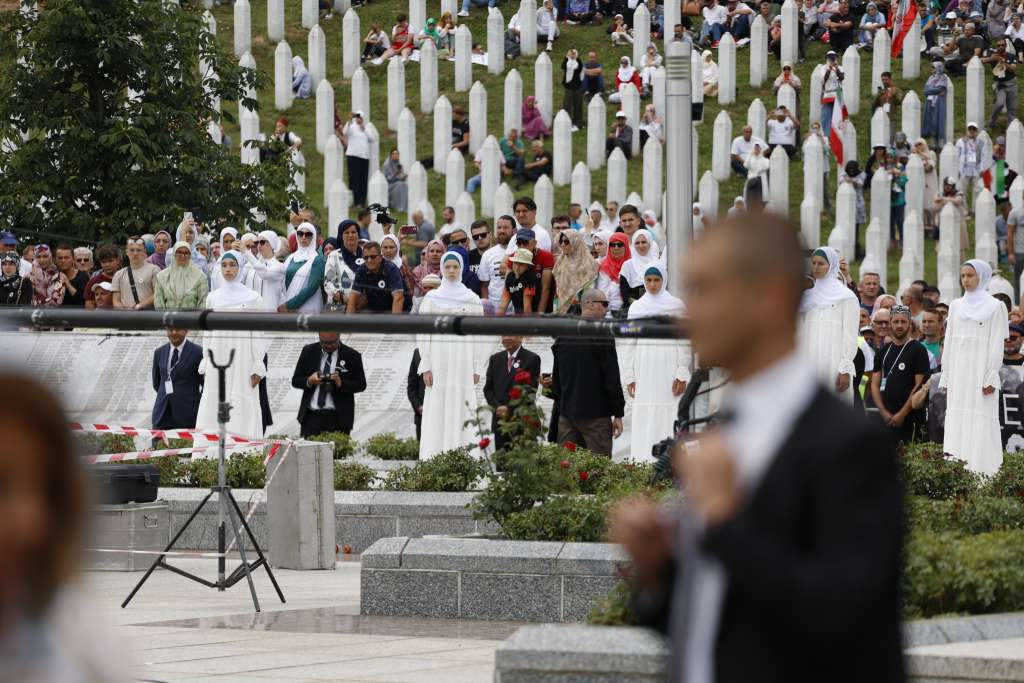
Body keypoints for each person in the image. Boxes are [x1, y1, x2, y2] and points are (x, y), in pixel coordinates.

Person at [612, 212, 904, 683]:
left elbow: (848, 625)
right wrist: (658, 572)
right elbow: (712, 622)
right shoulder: (725, 425)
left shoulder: (848, 446)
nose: (689, 311)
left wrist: (726, 526)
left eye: (707, 290)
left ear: (767, 299)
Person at [415, 250, 485, 459]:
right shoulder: (431, 298)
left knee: (462, 407)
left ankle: (464, 461)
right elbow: (423, 333)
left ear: (461, 268)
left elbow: (479, 335)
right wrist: (425, 365)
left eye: (455, 267)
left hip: (462, 365)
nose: (452, 271)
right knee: (438, 410)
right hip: (438, 363)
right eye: (448, 267)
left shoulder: (472, 299)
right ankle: (434, 462)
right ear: (442, 269)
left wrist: (477, 366)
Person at [941, 260, 1009, 474]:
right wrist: (947, 373)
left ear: (982, 277)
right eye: (963, 276)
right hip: (959, 374)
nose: (966, 280)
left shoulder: (996, 307)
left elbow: (997, 343)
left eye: (970, 275)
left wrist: (990, 375)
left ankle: (983, 476)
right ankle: (956, 474)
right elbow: (949, 340)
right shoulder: (955, 306)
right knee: (958, 420)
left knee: (980, 420)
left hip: (980, 375)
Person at [619, 263, 691, 462]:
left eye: (656, 280)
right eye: (648, 280)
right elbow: (629, 342)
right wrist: (630, 376)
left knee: (670, 412)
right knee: (645, 412)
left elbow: (685, 341)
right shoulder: (637, 307)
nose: (652, 285)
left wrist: (682, 373)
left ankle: (670, 466)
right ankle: (643, 464)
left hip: (669, 363)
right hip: (644, 365)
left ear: (664, 280)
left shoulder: (676, 305)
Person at [544, 289, 625, 455]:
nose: (607, 309)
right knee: (598, 472)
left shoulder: (563, 335)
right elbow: (611, 377)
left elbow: (557, 380)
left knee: (568, 472)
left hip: (567, 415)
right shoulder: (602, 333)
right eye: (604, 304)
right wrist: (618, 413)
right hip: (596, 416)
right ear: (589, 304)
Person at [195, 254, 268, 438]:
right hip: (217, 356)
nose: (228, 269)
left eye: (232, 265)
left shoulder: (253, 298)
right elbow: (207, 332)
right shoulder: (212, 297)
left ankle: (242, 456)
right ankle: (210, 456)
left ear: (240, 267)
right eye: (224, 265)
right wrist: (205, 360)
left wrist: (258, 363)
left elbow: (258, 333)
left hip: (243, 358)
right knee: (216, 398)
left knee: (241, 400)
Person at [799, 247, 860, 403]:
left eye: (821, 263)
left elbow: (850, 335)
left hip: (834, 366)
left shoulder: (847, 297)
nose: (816, 267)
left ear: (831, 265)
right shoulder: (807, 298)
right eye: (813, 263)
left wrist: (845, 369)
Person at [869, 305, 931, 443]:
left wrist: (902, 414)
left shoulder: (918, 350)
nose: (899, 325)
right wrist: (883, 412)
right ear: (890, 323)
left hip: (911, 417)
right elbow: (874, 384)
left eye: (903, 322)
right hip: (886, 418)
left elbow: (919, 385)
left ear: (910, 324)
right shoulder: (883, 351)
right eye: (896, 321)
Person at [292, 332, 367, 437]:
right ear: (319, 337)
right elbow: (295, 380)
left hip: (338, 418)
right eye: (324, 343)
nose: (328, 346)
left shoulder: (352, 355)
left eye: (332, 343)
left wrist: (341, 383)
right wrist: (309, 380)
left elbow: (361, 384)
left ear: (339, 336)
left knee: (337, 453)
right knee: (308, 452)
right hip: (311, 417)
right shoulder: (308, 351)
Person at [484, 336, 542, 451]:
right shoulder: (495, 359)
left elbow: (530, 391)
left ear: (521, 336)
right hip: (500, 421)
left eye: (511, 334)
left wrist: (508, 408)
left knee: (524, 465)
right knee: (502, 464)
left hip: (522, 421)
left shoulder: (532, 359)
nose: (507, 338)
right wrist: (498, 407)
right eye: (503, 335)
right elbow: (488, 389)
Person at [151, 327, 204, 429]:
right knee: (159, 445)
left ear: (186, 330)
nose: (174, 333)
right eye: (170, 330)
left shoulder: (198, 352)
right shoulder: (159, 352)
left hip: (188, 416)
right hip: (162, 415)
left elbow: (204, 385)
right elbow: (156, 383)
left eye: (178, 329)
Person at [347, 241, 406, 313]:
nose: (369, 260)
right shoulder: (362, 270)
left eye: (373, 257)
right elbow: (352, 298)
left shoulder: (391, 269)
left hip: (400, 310)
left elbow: (399, 298)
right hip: (375, 310)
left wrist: (393, 323)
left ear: (380, 257)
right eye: (365, 257)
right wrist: (348, 322)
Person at [281, 222, 325, 313]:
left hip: (308, 307)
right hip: (285, 303)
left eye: (308, 234)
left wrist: (290, 305)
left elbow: (312, 288)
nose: (303, 237)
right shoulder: (290, 258)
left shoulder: (317, 259)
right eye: (300, 234)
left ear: (314, 237)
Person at [552, 229, 597, 314]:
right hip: (560, 307)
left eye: (566, 242)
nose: (562, 245)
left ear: (575, 242)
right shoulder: (560, 261)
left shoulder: (589, 263)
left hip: (581, 311)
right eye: (561, 241)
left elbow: (589, 292)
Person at [155, 241, 209, 310]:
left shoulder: (200, 276)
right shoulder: (162, 276)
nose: (183, 256)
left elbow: (203, 303)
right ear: (174, 253)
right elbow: (159, 303)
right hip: (168, 319)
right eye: (179, 252)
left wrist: (195, 320)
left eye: (186, 253)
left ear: (190, 255)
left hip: (192, 319)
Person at [618, 228, 662, 311]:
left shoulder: (658, 264)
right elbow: (624, 292)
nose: (640, 245)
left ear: (649, 243)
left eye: (643, 242)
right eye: (637, 243)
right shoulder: (627, 265)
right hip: (634, 308)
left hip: (656, 307)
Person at [110, 237, 159, 310]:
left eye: (138, 250)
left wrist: (139, 306)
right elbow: (116, 300)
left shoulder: (154, 270)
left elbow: (158, 294)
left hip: (148, 316)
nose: (135, 253)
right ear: (127, 252)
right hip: (126, 318)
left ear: (144, 252)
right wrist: (125, 313)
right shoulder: (119, 274)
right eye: (132, 250)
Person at [479, 216, 515, 307]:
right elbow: (484, 285)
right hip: (494, 309)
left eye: (506, 227)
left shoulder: (520, 251)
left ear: (514, 230)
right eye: (499, 227)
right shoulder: (488, 254)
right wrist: (487, 308)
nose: (502, 230)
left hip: (515, 310)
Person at [340, 111, 374, 207]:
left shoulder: (366, 127)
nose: (359, 119)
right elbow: (344, 132)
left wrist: (363, 127)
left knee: (363, 179)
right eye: (357, 116)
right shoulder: (351, 126)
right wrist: (350, 120)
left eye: (360, 117)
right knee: (355, 180)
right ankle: (355, 201)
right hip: (353, 156)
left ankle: (362, 201)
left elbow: (372, 138)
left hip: (364, 157)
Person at [597, 232, 630, 313]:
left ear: (626, 246)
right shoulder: (605, 267)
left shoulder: (632, 265)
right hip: (610, 311)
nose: (616, 248)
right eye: (612, 245)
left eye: (620, 244)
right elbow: (603, 293)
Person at [500, 248, 540, 314]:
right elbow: (503, 305)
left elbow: (527, 307)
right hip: (518, 313)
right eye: (515, 263)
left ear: (528, 266)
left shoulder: (530, 277)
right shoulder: (510, 277)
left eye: (521, 264)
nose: (517, 267)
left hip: (533, 315)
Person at [922, 62, 949, 149]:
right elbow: (925, 90)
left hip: (938, 103)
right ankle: (933, 143)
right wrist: (935, 90)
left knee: (937, 120)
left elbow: (940, 88)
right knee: (930, 121)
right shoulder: (930, 78)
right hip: (929, 102)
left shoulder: (943, 78)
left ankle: (939, 144)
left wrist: (931, 89)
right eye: (932, 68)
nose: (932, 70)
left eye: (933, 68)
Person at [818, 50, 845, 133]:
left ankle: (839, 134)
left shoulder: (840, 67)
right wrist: (829, 69)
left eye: (834, 57)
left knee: (838, 116)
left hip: (838, 94)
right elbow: (823, 80)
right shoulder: (823, 68)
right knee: (826, 116)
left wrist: (836, 68)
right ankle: (826, 135)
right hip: (828, 94)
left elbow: (842, 78)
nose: (832, 59)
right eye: (830, 57)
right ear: (827, 58)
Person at [562, 49, 584, 130]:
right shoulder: (566, 62)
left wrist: (576, 58)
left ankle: (578, 123)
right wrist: (566, 57)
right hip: (568, 87)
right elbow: (563, 66)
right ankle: (567, 122)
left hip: (577, 87)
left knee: (578, 105)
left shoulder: (578, 62)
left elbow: (580, 68)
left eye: (574, 54)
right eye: (571, 54)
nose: (572, 55)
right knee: (567, 105)